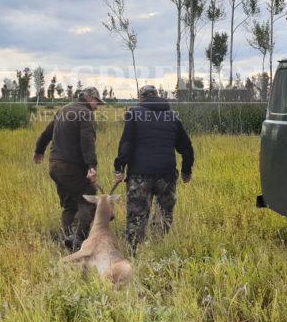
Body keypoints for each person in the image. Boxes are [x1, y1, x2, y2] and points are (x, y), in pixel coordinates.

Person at [112, 84, 194, 250]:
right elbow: (186, 148)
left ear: (141, 97)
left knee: (137, 215)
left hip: (140, 175)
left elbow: (126, 144)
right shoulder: (172, 116)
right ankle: (157, 246)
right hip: (167, 174)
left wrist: (119, 166)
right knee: (165, 213)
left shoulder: (134, 114)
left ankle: (134, 251)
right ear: (157, 95)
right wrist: (186, 171)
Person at [34, 86, 103, 250]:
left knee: (70, 205)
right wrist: (91, 166)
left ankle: (68, 238)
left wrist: (39, 151)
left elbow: (46, 133)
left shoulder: (63, 110)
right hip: (70, 167)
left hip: (55, 166)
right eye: (97, 102)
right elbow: (87, 141)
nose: (97, 106)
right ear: (90, 98)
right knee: (90, 201)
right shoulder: (86, 113)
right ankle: (78, 241)